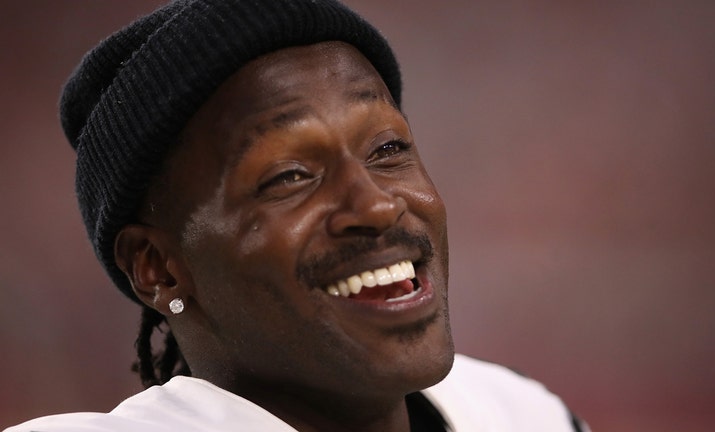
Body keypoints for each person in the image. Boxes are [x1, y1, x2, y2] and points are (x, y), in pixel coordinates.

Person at [6, 0, 587, 431]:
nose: (378, 204)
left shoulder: (521, 414)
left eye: (387, 149)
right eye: (289, 176)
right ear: (156, 267)